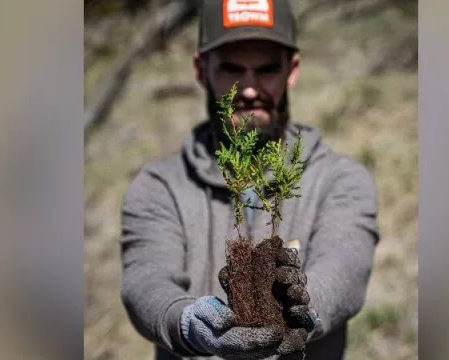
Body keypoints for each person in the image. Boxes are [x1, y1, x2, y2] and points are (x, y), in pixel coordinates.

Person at [119, 0, 380, 359]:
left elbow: (345, 273)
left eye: (267, 69)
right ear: (201, 70)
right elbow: (145, 282)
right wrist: (187, 324)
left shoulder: (339, 179)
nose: (249, 89)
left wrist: (301, 307)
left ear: (292, 70)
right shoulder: (160, 186)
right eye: (231, 69)